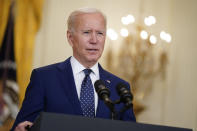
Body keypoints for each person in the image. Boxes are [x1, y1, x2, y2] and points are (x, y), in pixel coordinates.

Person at [11, 8, 136, 131]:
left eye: (100, 33)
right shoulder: (44, 78)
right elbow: (22, 126)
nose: (94, 40)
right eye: (87, 32)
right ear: (70, 38)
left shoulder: (119, 87)